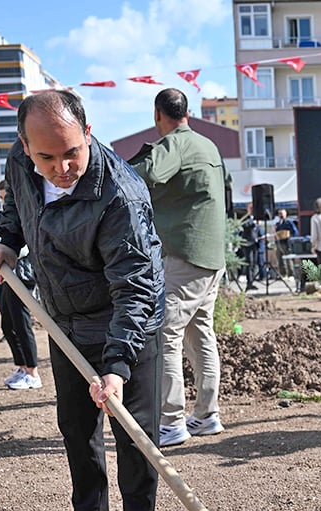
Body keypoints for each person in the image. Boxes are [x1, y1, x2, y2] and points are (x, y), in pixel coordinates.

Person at [0, 89, 164, 511]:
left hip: (127, 320)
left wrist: (117, 366)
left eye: (71, 153)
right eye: (47, 157)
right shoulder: (22, 164)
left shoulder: (120, 196)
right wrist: (7, 242)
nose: (61, 167)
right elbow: (16, 210)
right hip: (64, 320)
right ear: (25, 146)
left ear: (88, 133)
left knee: (134, 434)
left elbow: (137, 287)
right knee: (78, 430)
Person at [129, 88, 230, 448]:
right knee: (200, 333)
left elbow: (145, 173)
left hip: (185, 256)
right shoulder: (208, 146)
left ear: (158, 115)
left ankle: (171, 422)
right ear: (187, 111)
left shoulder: (176, 144)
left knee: (166, 336)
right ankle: (206, 415)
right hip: (212, 257)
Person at [0, 179, 42, 390]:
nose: (3, 201)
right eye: (1, 197)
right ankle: (22, 366)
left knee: (21, 322)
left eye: (4, 196)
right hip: (8, 274)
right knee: (8, 324)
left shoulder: (26, 210)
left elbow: (23, 245)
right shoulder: (6, 214)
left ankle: (33, 371)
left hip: (22, 273)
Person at [240, 202, 266, 290]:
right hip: (248, 244)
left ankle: (252, 282)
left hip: (255, 244)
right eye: (250, 208)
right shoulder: (246, 218)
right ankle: (249, 283)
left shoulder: (257, 218)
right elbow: (245, 226)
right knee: (249, 263)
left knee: (254, 264)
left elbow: (258, 230)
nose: (252, 210)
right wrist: (253, 223)